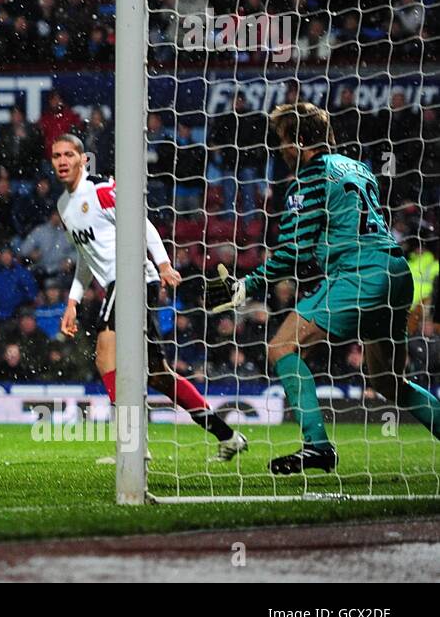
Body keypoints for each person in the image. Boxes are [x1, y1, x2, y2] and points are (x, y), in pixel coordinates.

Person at [208, 103, 440, 473]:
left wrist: (247, 283)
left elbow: (293, 251)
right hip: (396, 274)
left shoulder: (311, 177)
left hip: (360, 274)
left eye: (282, 141)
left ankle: (317, 446)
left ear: (299, 141)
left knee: (282, 346)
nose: (280, 150)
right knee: (390, 382)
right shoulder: (359, 168)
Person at [51, 133, 246, 463]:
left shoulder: (100, 190)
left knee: (105, 355)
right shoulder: (63, 205)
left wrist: (164, 263)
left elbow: (140, 221)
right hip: (121, 283)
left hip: (133, 277)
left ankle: (130, 445)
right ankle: (228, 436)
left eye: (69, 154)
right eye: (56, 155)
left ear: (83, 159)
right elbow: (86, 256)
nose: (62, 161)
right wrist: (73, 301)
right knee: (158, 374)